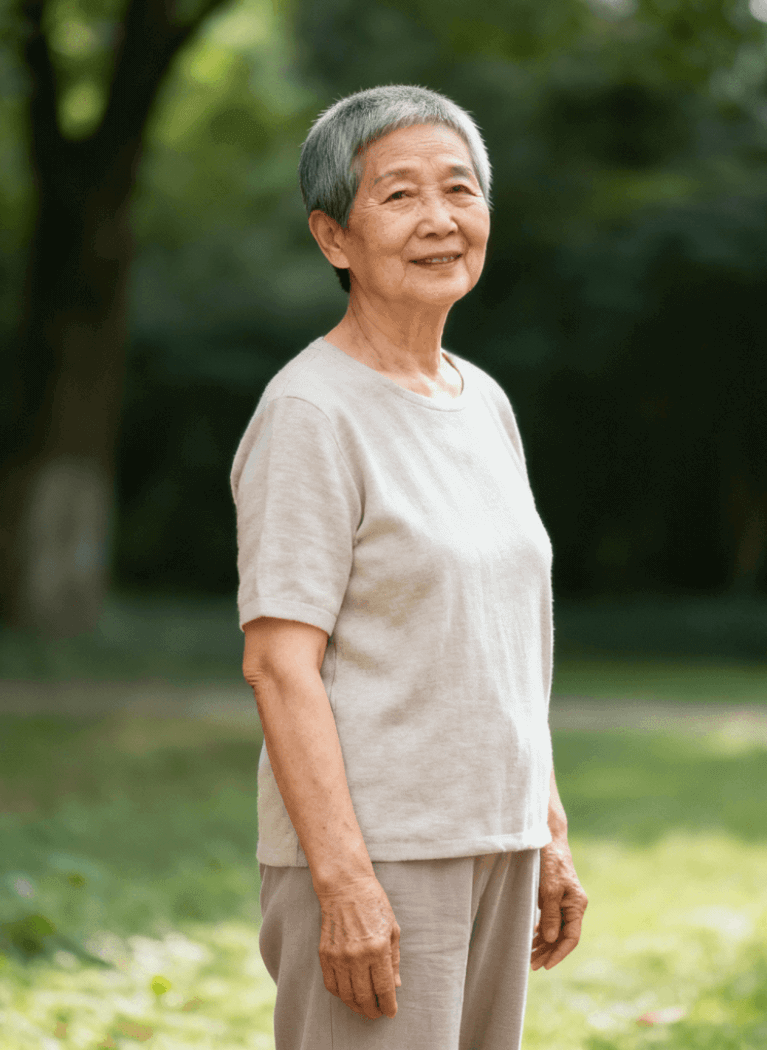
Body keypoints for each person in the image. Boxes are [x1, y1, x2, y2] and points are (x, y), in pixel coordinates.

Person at [231, 84, 587, 1050]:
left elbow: (502, 642)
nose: (439, 220)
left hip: (497, 847)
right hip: (380, 854)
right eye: (398, 196)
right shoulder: (310, 412)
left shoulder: (485, 404)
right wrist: (345, 880)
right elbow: (278, 664)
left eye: (459, 190)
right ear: (333, 238)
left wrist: (544, 828)